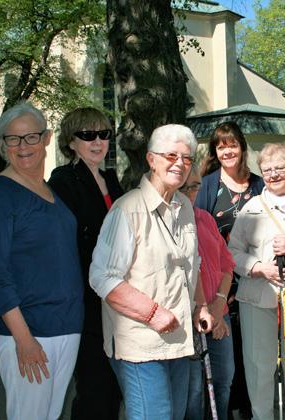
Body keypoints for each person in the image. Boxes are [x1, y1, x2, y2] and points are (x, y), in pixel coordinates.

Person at [89, 124, 213, 420]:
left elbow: (191, 263)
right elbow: (102, 276)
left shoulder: (183, 206)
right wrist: (153, 312)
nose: (180, 164)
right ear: (151, 159)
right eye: (171, 155)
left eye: (187, 158)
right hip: (141, 346)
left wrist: (201, 306)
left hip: (180, 341)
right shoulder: (128, 209)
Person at [0, 102, 84, 420]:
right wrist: (24, 339)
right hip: (29, 332)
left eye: (31, 137)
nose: (23, 147)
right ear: (3, 144)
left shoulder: (50, 192)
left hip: (65, 327)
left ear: (47, 138)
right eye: (13, 139)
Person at [48, 107, 124, 419]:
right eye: (87, 135)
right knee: (96, 388)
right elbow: (65, 245)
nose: (98, 141)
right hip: (86, 300)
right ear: (71, 142)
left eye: (104, 134)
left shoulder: (111, 179)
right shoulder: (64, 180)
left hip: (117, 297)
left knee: (115, 389)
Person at [228, 142, 285, 420]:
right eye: (267, 170)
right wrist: (258, 267)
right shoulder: (251, 208)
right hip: (257, 297)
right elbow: (232, 253)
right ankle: (262, 415)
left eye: (280, 168)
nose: (274, 174)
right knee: (259, 365)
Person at [195, 121, 265, 419]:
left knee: (255, 355)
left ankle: (250, 411)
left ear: (242, 148)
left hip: (256, 281)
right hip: (219, 287)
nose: (227, 151)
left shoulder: (259, 184)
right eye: (221, 146)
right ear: (215, 151)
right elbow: (198, 233)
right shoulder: (209, 185)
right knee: (226, 359)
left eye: (232, 144)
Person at [183, 166, 236, 420]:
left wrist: (218, 306)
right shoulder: (175, 222)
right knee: (194, 392)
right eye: (185, 186)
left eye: (195, 186)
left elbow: (227, 265)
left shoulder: (205, 218)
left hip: (219, 312)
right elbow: (190, 271)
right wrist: (206, 310)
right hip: (192, 317)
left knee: (224, 379)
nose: (191, 191)